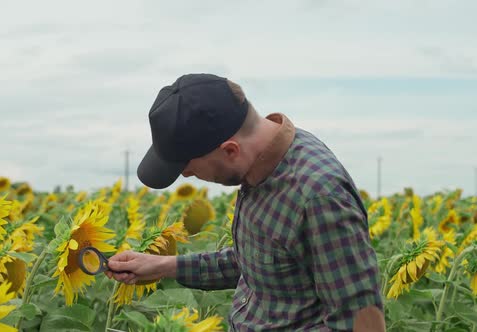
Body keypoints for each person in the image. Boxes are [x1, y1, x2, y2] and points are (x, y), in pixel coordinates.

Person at [106, 73, 385, 331]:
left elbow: (361, 323)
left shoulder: (318, 196)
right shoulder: (258, 169)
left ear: (230, 150)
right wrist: (163, 265)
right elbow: (257, 262)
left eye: (189, 168)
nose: (188, 176)